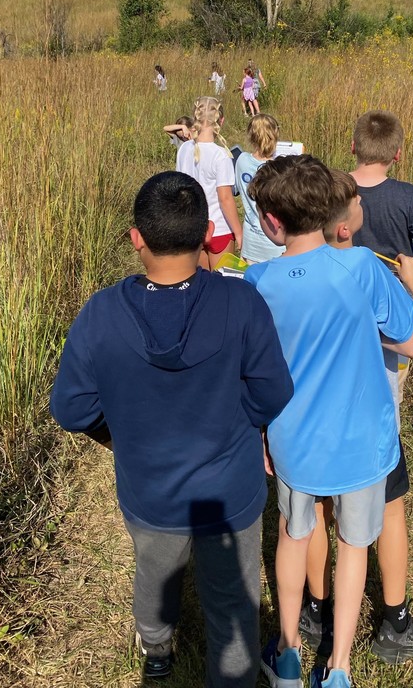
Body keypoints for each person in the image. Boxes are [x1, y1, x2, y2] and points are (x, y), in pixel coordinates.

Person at [50, 172, 294, 685]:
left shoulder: (101, 313)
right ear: (209, 233)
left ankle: (156, 647)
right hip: (230, 491)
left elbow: (72, 409)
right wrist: (238, 423)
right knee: (232, 601)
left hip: (149, 489)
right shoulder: (241, 302)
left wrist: (118, 435)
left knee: (156, 573)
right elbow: (273, 391)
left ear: (136, 237)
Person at [243, 155, 413, 688]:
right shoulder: (364, 268)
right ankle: (339, 667)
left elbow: (250, 369)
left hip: (294, 440)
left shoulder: (257, 281)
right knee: (353, 546)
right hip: (364, 442)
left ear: (271, 222)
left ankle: (290, 654)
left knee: (293, 536)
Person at [300, 170, 413, 665]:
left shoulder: (287, 273)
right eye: (359, 206)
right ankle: (394, 620)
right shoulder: (368, 271)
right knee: (390, 511)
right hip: (366, 425)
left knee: (318, 510)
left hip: (309, 427)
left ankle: (315, 610)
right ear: (344, 226)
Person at [351, 109, 413, 398]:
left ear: (354, 146)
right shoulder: (408, 197)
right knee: (388, 381)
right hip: (394, 300)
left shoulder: (333, 189)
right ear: (397, 154)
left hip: (342, 290)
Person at [176, 96, 242, 269]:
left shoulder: (184, 149)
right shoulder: (221, 156)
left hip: (193, 227)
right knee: (222, 286)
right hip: (219, 229)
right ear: (221, 120)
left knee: (201, 286)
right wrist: (239, 232)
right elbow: (225, 198)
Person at [235, 113, 286, 264]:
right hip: (277, 240)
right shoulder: (281, 168)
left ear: (251, 136)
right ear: (275, 135)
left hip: (251, 240)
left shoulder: (242, 160)